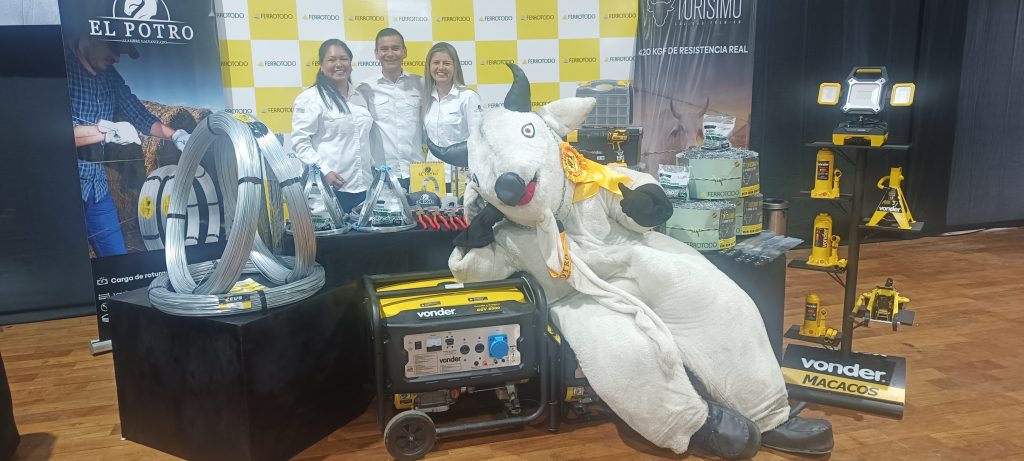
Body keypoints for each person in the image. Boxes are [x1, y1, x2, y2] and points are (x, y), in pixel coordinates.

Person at [68, 36, 189, 257]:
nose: (116, 58)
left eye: (120, 53)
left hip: (97, 189)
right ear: (88, 40)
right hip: (64, 188)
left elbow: (139, 115)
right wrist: (107, 132)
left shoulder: (110, 77)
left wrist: (176, 135)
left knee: (117, 258)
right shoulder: (62, 69)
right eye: (113, 48)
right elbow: (55, 134)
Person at [290, 39, 374, 213]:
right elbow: (300, 143)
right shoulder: (310, 98)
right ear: (321, 65)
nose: (339, 64)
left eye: (344, 59)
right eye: (331, 60)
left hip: (363, 187)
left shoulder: (359, 96)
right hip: (327, 189)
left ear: (350, 63)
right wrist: (325, 171)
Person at [357, 28, 423, 191]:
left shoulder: (421, 85)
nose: (390, 54)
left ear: (405, 51)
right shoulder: (364, 89)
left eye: (395, 48)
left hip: (418, 172)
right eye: (384, 49)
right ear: (376, 53)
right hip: (382, 175)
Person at [422, 42, 482, 193]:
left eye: (446, 63)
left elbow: (478, 141)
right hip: (431, 178)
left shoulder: (468, 97)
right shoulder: (425, 99)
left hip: (460, 179)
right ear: (429, 67)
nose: (440, 67)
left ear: (455, 67)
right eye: (436, 63)